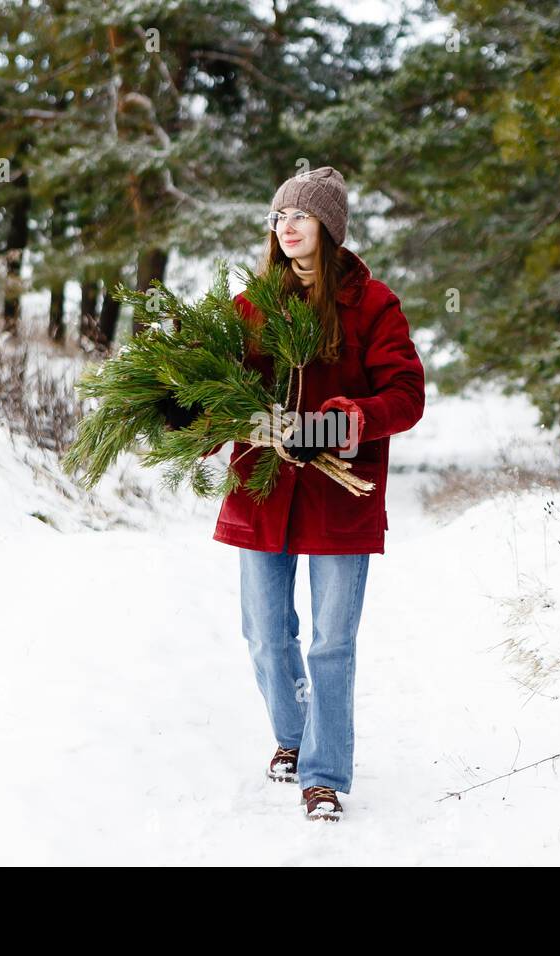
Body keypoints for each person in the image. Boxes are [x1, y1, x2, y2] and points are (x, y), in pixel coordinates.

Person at [161, 166, 426, 821]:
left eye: (300, 216)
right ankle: (292, 734)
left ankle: (324, 773)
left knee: (332, 643)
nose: (286, 226)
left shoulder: (373, 305)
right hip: (264, 490)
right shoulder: (253, 305)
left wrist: (338, 423)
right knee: (265, 636)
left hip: (341, 502)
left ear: (329, 227)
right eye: (279, 216)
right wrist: (183, 410)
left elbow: (406, 396)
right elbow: (218, 385)